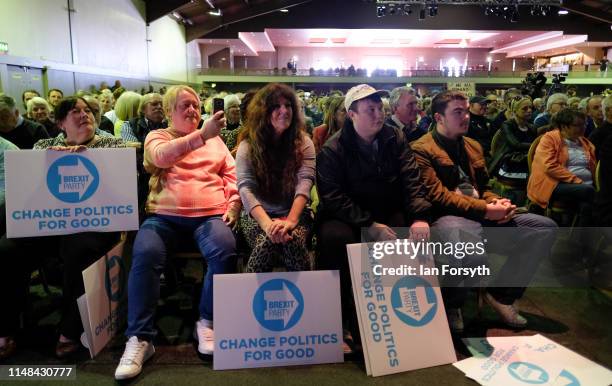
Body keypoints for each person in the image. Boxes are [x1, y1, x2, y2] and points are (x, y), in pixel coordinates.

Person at [115, 85, 241, 380]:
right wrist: (202, 136)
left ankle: (207, 321)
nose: (192, 110)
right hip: (164, 218)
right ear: (170, 112)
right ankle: (139, 338)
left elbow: (231, 175)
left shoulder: (216, 141)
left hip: (209, 215)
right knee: (144, 253)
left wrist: (233, 204)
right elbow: (159, 158)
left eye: (196, 105)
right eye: (184, 105)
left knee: (225, 249)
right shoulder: (157, 136)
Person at [411, 90, 557, 332]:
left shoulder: (473, 145)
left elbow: (484, 186)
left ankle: (501, 295)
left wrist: (498, 202)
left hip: (480, 212)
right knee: (471, 251)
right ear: (438, 118)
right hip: (447, 217)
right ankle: (452, 303)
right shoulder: (421, 149)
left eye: (467, 111)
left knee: (544, 227)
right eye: (458, 112)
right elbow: (438, 197)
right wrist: (486, 208)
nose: (466, 117)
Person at [0, 96, 125, 360]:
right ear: (60, 123)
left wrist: (93, 159)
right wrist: (47, 162)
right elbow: (29, 191)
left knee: (78, 248)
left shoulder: (113, 144)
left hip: (94, 224)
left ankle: (69, 330)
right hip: (49, 223)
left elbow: (121, 192)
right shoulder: (43, 146)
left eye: (88, 110)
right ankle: (6, 328)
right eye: (75, 112)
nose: (84, 115)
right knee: (6, 248)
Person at [316, 84, 431, 352]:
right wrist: (368, 224)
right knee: (336, 239)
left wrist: (420, 217)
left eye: (380, 108)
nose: (379, 115)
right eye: (371, 110)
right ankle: (339, 320)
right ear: (352, 114)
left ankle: (396, 316)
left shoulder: (395, 138)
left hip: (384, 208)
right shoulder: (333, 149)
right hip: (345, 215)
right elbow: (332, 197)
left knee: (406, 231)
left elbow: (411, 179)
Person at [236, 83, 315, 272]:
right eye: (276, 107)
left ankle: (307, 299)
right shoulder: (248, 145)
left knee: (292, 242)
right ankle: (250, 299)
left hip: (296, 213)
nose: (284, 111)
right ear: (263, 112)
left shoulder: (304, 142)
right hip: (256, 215)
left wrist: (290, 221)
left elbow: (305, 183)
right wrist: (268, 225)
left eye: (288, 106)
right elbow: (246, 188)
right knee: (267, 243)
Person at [528, 108, 596, 226]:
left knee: (587, 205)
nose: (583, 127)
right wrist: (577, 181)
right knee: (591, 192)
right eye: (578, 125)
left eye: (584, 124)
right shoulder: (549, 139)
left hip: (583, 187)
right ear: (564, 126)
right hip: (555, 184)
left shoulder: (584, 142)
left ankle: (578, 239)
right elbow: (549, 166)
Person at [489, 97, 537, 184]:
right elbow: (515, 144)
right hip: (510, 163)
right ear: (515, 110)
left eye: (531, 107)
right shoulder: (507, 124)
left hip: (527, 160)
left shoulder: (532, 127)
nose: (529, 110)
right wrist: (536, 145)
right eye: (525, 108)